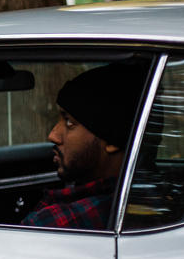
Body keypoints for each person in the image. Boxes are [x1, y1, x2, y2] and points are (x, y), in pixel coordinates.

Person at [21, 62, 147, 229]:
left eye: (69, 123)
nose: (52, 135)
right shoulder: (146, 195)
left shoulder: (53, 224)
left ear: (111, 140)